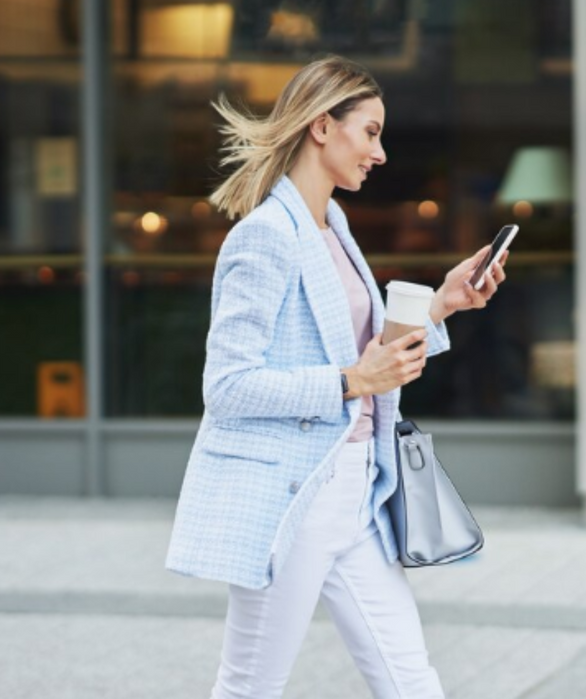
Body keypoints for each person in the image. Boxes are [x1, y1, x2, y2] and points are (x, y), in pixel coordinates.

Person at [166, 55, 507, 698]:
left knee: (410, 679)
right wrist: (350, 382)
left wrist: (442, 304)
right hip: (297, 497)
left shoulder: (335, 228)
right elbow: (228, 387)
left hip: (359, 491)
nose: (380, 152)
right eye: (371, 132)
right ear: (323, 127)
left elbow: (369, 354)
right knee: (249, 687)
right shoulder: (266, 236)